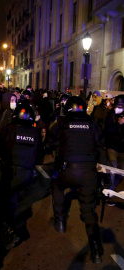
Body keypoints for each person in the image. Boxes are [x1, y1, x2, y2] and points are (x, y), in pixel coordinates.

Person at [50, 96, 104, 264]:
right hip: (89, 172)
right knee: (88, 211)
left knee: (57, 187)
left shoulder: (62, 124)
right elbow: (101, 146)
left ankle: (59, 220)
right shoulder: (93, 124)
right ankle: (95, 249)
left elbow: (51, 143)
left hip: (67, 170)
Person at [0, 100, 42, 249]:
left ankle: (13, 231)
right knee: (13, 200)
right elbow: (39, 157)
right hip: (26, 174)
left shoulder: (8, 128)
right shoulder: (36, 133)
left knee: (7, 203)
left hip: (10, 172)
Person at [104, 94, 124, 205]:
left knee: (120, 173)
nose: (119, 107)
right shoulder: (111, 116)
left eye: (121, 105)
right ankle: (109, 195)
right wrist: (118, 124)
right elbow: (107, 131)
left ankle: (111, 189)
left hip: (122, 150)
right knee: (112, 171)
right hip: (112, 148)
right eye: (118, 105)